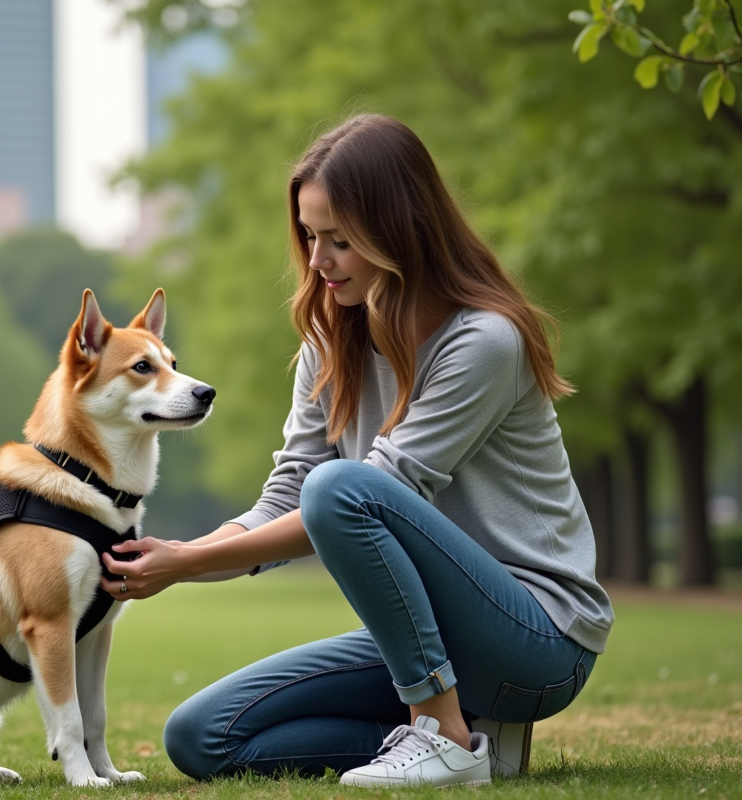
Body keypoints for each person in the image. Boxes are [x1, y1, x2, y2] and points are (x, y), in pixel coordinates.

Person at [98, 113, 613, 788]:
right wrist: (174, 558)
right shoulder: (328, 342)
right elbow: (286, 498)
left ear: (400, 230)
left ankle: (445, 734)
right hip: (434, 637)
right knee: (201, 738)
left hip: (539, 640)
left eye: (339, 240)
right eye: (310, 237)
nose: (317, 261)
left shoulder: (484, 341)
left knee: (343, 487)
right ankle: (472, 738)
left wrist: (190, 562)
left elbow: (372, 492)